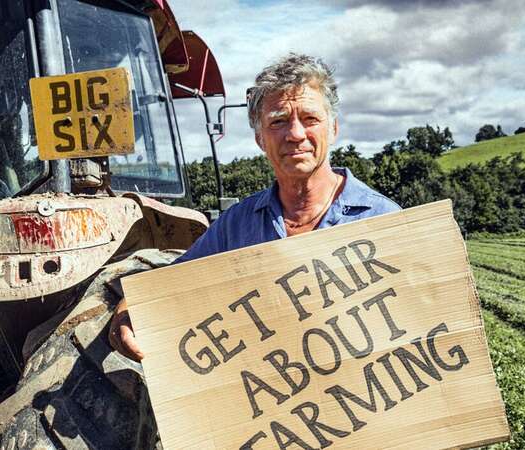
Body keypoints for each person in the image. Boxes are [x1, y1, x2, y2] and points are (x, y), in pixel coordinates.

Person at [109, 53, 400, 361]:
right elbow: (172, 284)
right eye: (278, 121)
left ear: (333, 129)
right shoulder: (235, 226)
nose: (296, 134)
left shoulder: (384, 220)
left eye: (310, 119)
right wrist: (128, 312)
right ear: (261, 138)